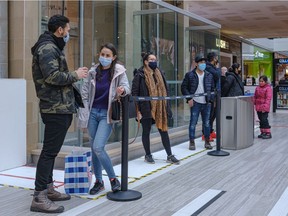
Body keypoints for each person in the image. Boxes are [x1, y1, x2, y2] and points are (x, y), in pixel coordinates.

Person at [30, 15, 88, 213]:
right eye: (68, 29)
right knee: (48, 153)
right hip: (55, 108)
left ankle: (48, 188)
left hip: (59, 107)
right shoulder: (47, 48)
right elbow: (52, 76)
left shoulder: (52, 47)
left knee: (51, 152)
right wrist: (76, 75)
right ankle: (39, 197)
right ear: (60, 30)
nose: (68, 33)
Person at [78, 43, 130, 195]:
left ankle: (113, 179)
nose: (104, 58)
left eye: (108, 55)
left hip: (107, 114)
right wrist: (84, 117)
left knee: (98, 147)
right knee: (94, 149)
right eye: (102, 54)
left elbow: (127, 87)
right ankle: (99, 181)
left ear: (113, 57)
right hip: (93, 113)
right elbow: (85, 94)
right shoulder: (93, 72)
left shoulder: (119, 72)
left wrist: (122, 90)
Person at [131, 52, 180, 165]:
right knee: (146, 131)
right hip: (146, 108)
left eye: (155, 59)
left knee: (164, 131)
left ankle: (169, 155)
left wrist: (167, 107)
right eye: (151, 59)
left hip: (160, 108)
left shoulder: (160, 73)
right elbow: (134, 94)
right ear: (146, 62)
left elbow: (165, 91)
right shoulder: (140, 75)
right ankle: (148, 155)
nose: (154, 61)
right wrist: (137, 111)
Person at [181, 54, 214, 150]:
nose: (203, 64)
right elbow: (184, 87)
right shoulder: (190, 75)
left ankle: (207, 141)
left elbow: (212, 88)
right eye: (201, 62)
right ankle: (192, 142)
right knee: (193, 123)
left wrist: (210, 99)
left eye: (204, 62)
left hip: (206, 103)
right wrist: (189, 98)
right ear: (196, 64)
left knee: (207, 123)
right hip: (195, 102)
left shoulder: (209, 75)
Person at [205, 52, 220, 140]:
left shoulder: (212, 67)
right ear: (214, 58)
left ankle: (210, 131)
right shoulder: (208, 67)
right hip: (210, 94)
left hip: (214, 94)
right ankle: (206, 133)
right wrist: (217, 68)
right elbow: (217, 75)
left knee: (213, 114)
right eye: (216, 58)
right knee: (209, 115)